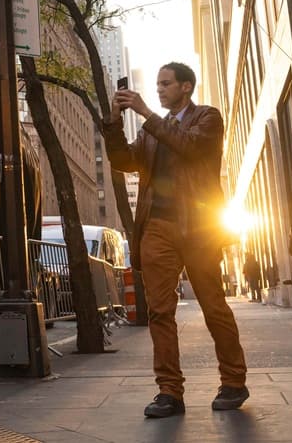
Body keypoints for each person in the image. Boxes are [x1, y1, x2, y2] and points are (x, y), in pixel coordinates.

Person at [102, 62, 248, 418]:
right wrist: (113, 120)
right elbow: (123, 161)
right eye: (157, 84)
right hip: (157, 228)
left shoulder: (207, 118)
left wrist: (146, 113)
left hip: (198, 226)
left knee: (213, 304)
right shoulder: (151, 133)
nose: (159, 89)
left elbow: (190, 147)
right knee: (159, 311)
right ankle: (169, 391)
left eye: (166, 83)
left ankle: (233, 381)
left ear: (186, 87)